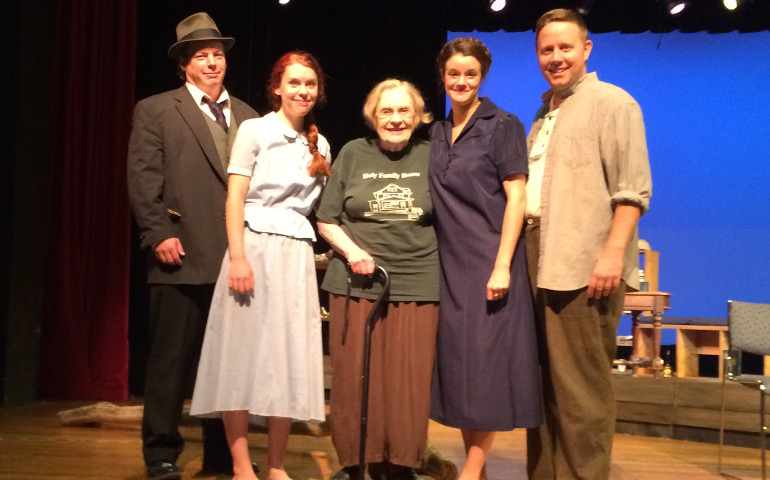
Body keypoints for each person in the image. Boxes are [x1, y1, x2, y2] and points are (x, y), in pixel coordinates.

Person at [126, 12, 259, 480]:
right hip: (179, 253)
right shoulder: (157, 109)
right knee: (169, 363)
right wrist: (157, 233)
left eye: (218, 55)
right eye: (201, 56)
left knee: (226, 364)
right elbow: (143, 179)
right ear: (184, 64)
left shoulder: (248, 116)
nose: (212, 63)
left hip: (234, 259)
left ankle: (223, 453)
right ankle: (161, 452)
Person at [189, 51, 331, 480]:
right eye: (294, 82)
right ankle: (239, 465)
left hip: (296, 256)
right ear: (277, 87)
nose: (302, 90)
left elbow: (322, 210)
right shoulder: (253, 130)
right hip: (253, 246)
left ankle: (275, 465)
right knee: (240, 354)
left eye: (310, 83)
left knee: (285, 357)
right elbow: (235, 197)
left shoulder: (320, 143)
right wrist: (238, 256)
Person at [524, 9, 653, 480]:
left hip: (584, 262)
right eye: (546, 50)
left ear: (586, 49)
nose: (555, 58)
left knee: (582, 394)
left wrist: (611, 255)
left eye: (564, 47)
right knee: (543, 391)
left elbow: (631, 191)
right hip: (538, 256)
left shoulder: (613, 103)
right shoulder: (544, 112)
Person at [428, 38, 541, 480]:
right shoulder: (436, 132)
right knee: (462, 371)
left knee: (486, 371)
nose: (461, 81)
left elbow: (517, 198)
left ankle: (473, 470)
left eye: (470, 74)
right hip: (448, 265)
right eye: (454, 73)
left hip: (490, 262)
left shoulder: (502, 125)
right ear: (443, 75)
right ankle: (476, 467)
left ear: (482, 77)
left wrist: (501, 264)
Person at [317, 79, 439, 480]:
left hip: (418, 282)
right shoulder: (353, 153)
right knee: (354, 377)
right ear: (373, 116)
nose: (396, 119)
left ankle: (401, 465)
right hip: (354, 283)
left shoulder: (434, 154)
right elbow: (326, 219)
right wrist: (353, 252)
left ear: (419, 117)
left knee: (408, 381)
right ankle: (356, 464)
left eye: (404, 111)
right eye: (386, 111)